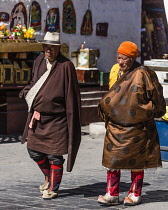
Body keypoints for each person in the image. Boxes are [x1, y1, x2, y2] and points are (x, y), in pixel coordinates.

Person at [97, 41, 166, 206]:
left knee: (137, 160)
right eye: (118, 58)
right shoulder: (117, 71)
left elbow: (157, 98)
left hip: (137, 126)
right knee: (112, 160)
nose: (120, 62)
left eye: (124, 59)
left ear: (133, 58)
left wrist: (149, 112)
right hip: (115, 125)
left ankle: (135, 194)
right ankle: (111, 194)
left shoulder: (144, 74)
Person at [19, 31, 81, 199]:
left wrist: (71, 120)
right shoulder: (39, 61)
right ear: (43, 47)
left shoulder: (66, 66)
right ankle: (48, 177)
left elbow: (71, 95)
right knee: (34, 151)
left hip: (57, 120)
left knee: (54, 155)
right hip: (38, 118)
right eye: (46, 47)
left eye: (53, 48)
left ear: (58, 48)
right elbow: (35, 82)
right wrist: (27, 91)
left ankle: (53, 187)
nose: (49, 51)